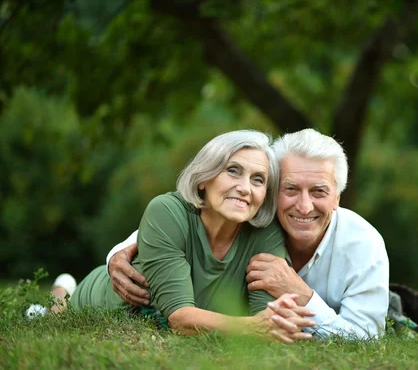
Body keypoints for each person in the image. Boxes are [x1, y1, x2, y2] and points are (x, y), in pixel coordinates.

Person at [36, 130, 315, 343]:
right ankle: (63, 293)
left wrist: (267, 325)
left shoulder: (265, 234)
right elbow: (179, 319)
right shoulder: (166, 211)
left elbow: (268, 320)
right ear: (204, 178)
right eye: (233, 171)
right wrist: (253, 328)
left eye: (258, 179)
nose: (245, 188)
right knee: (55, 316)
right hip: (102, 299)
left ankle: (62, 290)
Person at [107, 129, 390, 339]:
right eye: (290, 189)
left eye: (319, 191)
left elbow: (367, 339)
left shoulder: (364, 245)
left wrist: (303, 295)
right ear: (273, 191)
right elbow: (182, 225)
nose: (304, 207)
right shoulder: (258, 221)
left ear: (337, 198)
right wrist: (124, 248)